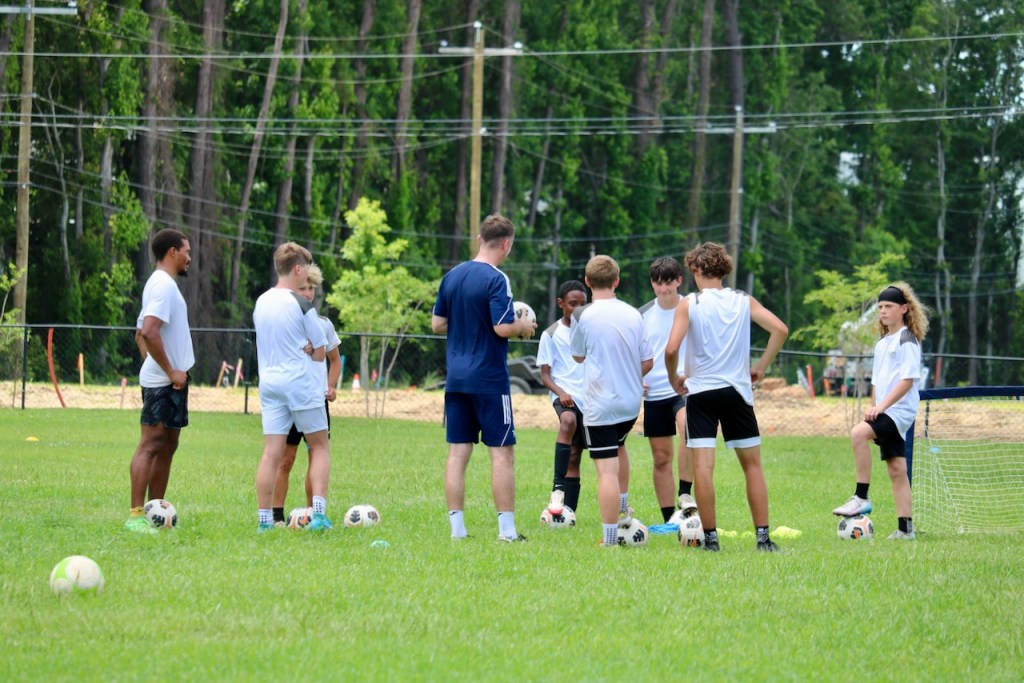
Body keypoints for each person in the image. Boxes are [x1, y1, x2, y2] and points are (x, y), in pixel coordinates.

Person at [664, 242, 788, 552]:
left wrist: (673, 377)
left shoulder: (690, 303)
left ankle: (711, 541)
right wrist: (760, 367)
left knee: (703, 468)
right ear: (723, 270)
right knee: (753, 466)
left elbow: (671, 349)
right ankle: (763, 539)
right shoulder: (743, 300)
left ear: (696, 270)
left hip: (701, 394)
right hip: (737, 392)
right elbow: (780, 330)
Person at [432, 214, 536, 542]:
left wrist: (468, 321)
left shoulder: (452, 276)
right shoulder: (497, 278)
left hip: (456, 379)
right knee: (502, 453)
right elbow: (502, 327)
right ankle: (507, 532)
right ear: (506, 244)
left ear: (479, 239)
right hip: (489, 379)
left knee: (457, 452)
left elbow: (437, 323)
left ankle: (457, 531)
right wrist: (523, 326)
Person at [832, 283, 928, 540]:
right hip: (885, 411)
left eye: (889, 306)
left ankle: (861, 497)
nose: (883, 311)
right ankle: (905, 530)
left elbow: (907, 381)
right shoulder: (882, 343)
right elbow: (876, 382)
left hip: (899, 411)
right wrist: (872, 409)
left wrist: (881, 408)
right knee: (897, 469)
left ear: (904, 309)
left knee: (857, 434)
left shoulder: (907, 340)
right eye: (881, 307)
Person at [570, 255, 653, 547]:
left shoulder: (582, 316)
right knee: (619, 446)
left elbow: (577, 356)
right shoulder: (634, 314)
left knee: (606, 470)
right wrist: (628, 376)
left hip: (601, 405)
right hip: (630, 404)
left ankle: (609, 539)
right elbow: (648, 361)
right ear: (616, 281)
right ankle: (623, 507)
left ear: (587, 281)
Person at [253, 243, 331, 532]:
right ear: (298, 269)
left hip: (270, 384)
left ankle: (264, 522)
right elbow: (320, 352)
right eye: (306, 269)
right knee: (319, 446)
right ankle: (318, 516)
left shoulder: (262, 301)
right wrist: (310, 348)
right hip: (300, 384)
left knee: (271, 454)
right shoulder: (302, 304)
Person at [126, 229, 195, 533]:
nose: (189, 257)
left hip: (171, 381)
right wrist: (167, 371)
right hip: (164, 381)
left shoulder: (162, 284)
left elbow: (140, 333)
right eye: (186, 251)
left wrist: (164, 368)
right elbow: (149, 332)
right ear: (172, 252)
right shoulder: (163, 286)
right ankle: (135, 517)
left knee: (168, 445)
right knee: (151, 444)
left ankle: (155, 511)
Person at [272, 264, 342, 526]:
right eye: (303, 288)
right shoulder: (283, 323)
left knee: (316, 454)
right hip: (289, 399)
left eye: (311, 288)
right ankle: (276, 517)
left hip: (314, 401)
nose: (308, 293)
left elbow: (334, 361)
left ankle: (315, 514)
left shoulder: (323, 324)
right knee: (285, 459)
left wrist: (330, 386)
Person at [638, 256, 696, 523]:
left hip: (684, 389)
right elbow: (633, 354)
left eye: (668, 283)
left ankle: (685, 494)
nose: (663, 289)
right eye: (658, 283)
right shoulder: (642, 316)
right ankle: (670, 519)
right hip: (655, 394)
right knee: (661, 458)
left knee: (687, 426)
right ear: (652, 284)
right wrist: (636, 378)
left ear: (679, 281)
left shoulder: (692, 307)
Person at [537, 280, 589, 518]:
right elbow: (545, 375)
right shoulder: (550, 334)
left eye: (582, 304)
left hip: (589, 399)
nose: (578, 309)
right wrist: (561, 393)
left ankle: (569, 513)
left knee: (575, 455)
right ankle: (557, 487)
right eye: (572, 303)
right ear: (561, 303)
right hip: (564, 395)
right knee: (568, 421)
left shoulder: (591, 332)